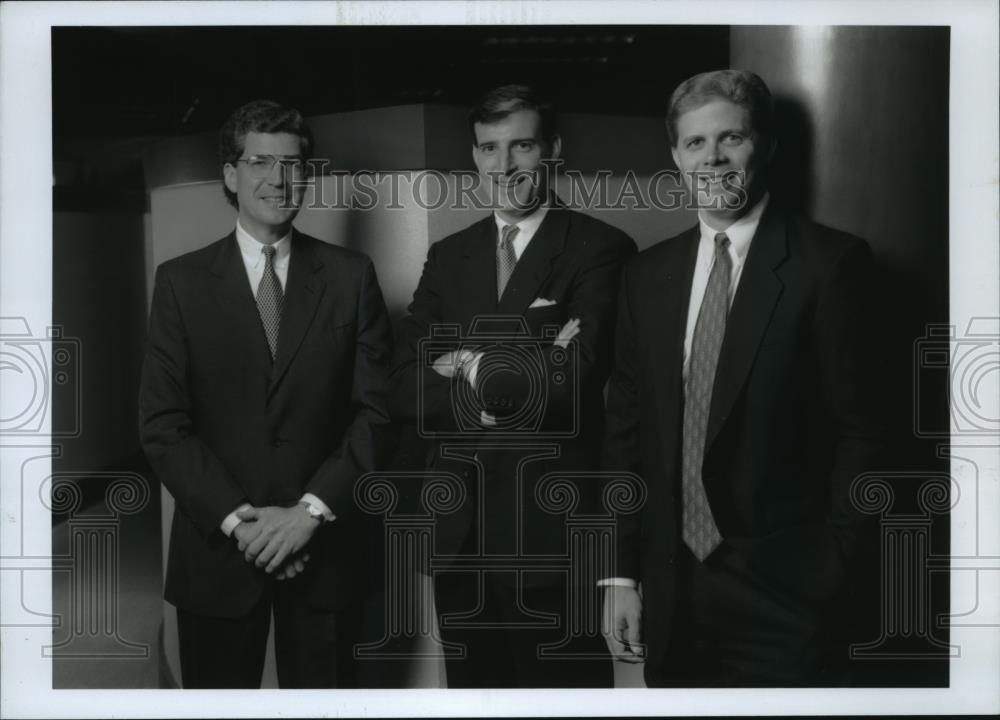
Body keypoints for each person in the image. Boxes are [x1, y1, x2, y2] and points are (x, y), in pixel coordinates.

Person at [601, 69, 885, 687]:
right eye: (696, 143)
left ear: (768, 146)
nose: (715, 158)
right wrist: (619, 573)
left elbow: (864, 433)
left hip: (789, 596)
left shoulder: (831, 265)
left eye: (732, 138)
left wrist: (838, 563)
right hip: (673, 591)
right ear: (676, 157)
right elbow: (626, 430)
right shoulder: (646, 277)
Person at [139, 100, 393, 688]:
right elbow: (162, 426)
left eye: (293, 163)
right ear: (231, 174)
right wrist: (245, 525)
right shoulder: (179, 283)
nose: (278, 179)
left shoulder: (352, 276)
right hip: (220, 554)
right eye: (260, 162)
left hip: (323, 549)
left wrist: (307, 514)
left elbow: (378, 413)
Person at [390, 84, 636, 688]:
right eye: (489, 149)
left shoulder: (601, 247)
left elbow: (572, 382)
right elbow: (402, 383)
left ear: (553, 150)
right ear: (475, 157)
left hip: (550, 539)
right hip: (458, 537)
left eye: (521, 145)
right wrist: (518, 364)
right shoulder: (449, 256)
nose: (505, 166)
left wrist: (464, 363)